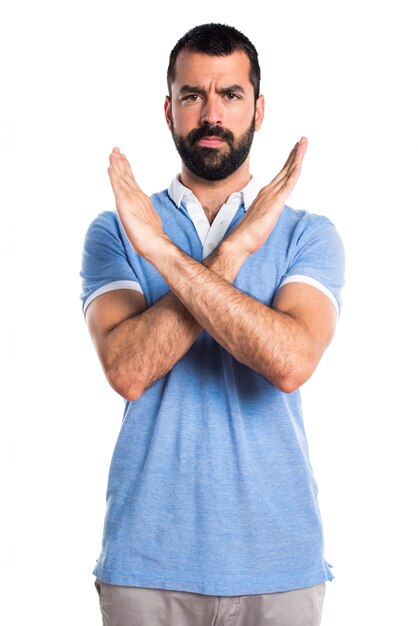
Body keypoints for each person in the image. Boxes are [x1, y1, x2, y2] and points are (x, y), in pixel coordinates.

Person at [80, 22, 345, 626]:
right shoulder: (119, 229)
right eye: (193, 95)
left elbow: (289, 362)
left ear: (257, 107)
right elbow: (127, 370)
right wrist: (230, 254)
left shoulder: (307, 234)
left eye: (230, 95)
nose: (211, 113)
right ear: (169, 108)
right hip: (146, 568)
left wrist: (167, 258)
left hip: (279, 568)